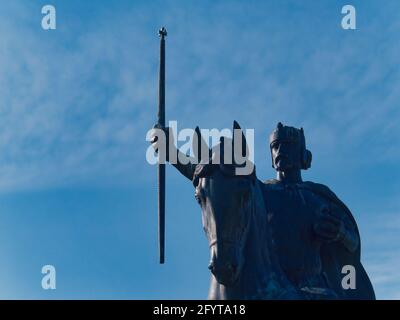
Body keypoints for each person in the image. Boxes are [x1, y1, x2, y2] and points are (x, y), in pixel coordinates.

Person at [149, 122, 375, 299]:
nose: (280, 151)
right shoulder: (260, 191)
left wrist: (340, 232)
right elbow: (211, 175)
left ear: (303, 155)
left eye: (287, 145)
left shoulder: (317, 197)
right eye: (276, 146)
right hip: (271, 286)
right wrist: (169, 150)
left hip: (313, 288)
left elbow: (352, 245)